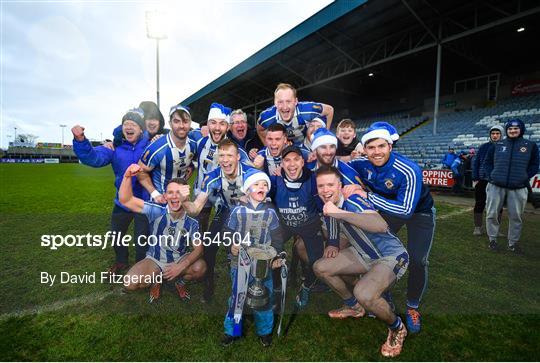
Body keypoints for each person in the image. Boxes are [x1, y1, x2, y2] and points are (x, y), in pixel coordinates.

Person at [347, 123, 435, 334]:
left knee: (417, 259)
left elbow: (405, 209)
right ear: (365, 149)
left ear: (390, 146)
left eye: (381, 146)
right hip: (389, 211)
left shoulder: (408, 169)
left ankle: (412, 306)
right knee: (376, 249)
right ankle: (381, 292)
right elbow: (343, 163)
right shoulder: (362, 163)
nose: (376, 152)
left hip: (419, 213)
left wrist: (368, 196)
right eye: (371, 148)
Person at [313, 166, 409, 358]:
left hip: (390, 256)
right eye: (321, 186)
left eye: (330, 184)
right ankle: (354, 307)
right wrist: (331, 243)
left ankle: (397, 327)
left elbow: (380, 225)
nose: (325, 190)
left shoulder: (353, 200)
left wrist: (338, 213)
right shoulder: (330, 206)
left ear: (340, 185)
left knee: (364, 293)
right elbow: (339, 236)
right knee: (321, 267)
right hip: (363, 254)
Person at [72, 108, 150, 274]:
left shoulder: (151, 144)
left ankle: (141, 267)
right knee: (116, 235)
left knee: (142, 239)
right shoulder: (114, 146)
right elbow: (94, 158)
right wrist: (80, 140)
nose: (128, 126)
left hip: (144, 202)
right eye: (125, 124)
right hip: (122, 201)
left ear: (141, 129)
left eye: (133, 124)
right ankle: (121, 262)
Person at [181, 139, 256, 302]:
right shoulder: (213, 176)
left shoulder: (251, 173)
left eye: (229, 155)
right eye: (221, 155)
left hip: (249, 213)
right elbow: (195, 209)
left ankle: (251, 288)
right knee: (209, 245)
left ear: (237, 157)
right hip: (225, 210)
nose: (225, 160)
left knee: (246, 249)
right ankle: (208, 285)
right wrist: (184, 200)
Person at [119, 164, 206, 302]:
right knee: (129, 283)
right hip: (155, 259)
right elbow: (126, 200)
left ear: (185, 195)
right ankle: (156, 280)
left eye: (179, 192)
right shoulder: (156, 210)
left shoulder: (192, 218)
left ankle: (180, 282)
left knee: (200, 268)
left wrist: (180, 267)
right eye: (170, 192)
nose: (174, 196)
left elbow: (199, 248)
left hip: (180, 258)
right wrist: (127, 176)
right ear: (165, 195)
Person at [222, 170, 283, 347]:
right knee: (237, 297)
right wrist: (231, 245)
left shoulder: (271, 213)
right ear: (247, 189)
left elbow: (278, 238)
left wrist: (277, 255)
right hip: (239, 263)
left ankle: (264, 331)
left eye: (265, 185)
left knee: (265, 297)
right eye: (256, 184)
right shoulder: (237, 211)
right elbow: (226, 233)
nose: (261, 187)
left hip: (264, 265)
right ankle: (233, 331)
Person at [267, 145, 326, 308]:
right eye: (287, 160)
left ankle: (306, 286)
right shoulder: (275, 180)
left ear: (302, 161)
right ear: (282, 164)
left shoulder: (313, 180)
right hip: (285, 224)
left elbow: (324, 207)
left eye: (295, 159)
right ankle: (277, 289)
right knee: (271, 252)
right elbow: (266, 200)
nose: (291, 164)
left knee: (315, 260)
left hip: (309, 225)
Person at [484, 118, 539, 253]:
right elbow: (487, 163)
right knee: (492, 214)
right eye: (510, 129)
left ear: (521, 130)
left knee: (516, 216)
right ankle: (492, 240)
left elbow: (534, 165)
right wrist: (491, 176)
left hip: (518, 187)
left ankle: (512, 243)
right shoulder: (497, 144)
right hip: (495, 186)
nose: (513, 131)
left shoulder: (530, 145)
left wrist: (524, 177)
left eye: (516, 128)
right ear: (507, 130)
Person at [194, 103, 250, 235]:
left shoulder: (236, 150)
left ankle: (234, 247)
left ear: (228, 127)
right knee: (201, 224)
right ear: (207, 124)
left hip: (225, 197)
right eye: (213, 123)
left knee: (227, 229)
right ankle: (202, 243)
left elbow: (251, 172)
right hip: (203, 191)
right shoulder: (198, 142)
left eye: (222, 124)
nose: (217, 128)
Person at [137, 104, 197, 204]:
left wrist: (182, 183)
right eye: (176, 121)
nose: (181, 126)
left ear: (190, 123)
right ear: (170, 123)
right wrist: (155, 194)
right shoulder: (157, 147)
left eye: (185, 121)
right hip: (161, 201)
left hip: (181, 200)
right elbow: (140, 171)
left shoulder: (193, 145)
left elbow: (190, 166)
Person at [256, 83, 334, 146]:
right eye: (280, 102)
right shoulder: (266, 117)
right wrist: (269, 146)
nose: (285, 107)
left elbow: (329, 110)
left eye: (288, 101)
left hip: (307, 145)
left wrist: (324, 135)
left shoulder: (308, 110)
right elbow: (260, 129)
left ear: (296, 101)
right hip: (285, 149)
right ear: (275, 103)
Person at [472, 125, 504, 235]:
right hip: (482, 179)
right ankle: (478, 227)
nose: (495, 136)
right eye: (493, 134)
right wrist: (475, 178)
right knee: (480, 203)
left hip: (498, 181)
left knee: (498, 206)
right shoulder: (483, 147)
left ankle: (496, 229)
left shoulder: (506, 147)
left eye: (497, 133)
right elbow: (476, 163)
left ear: (502, 134)